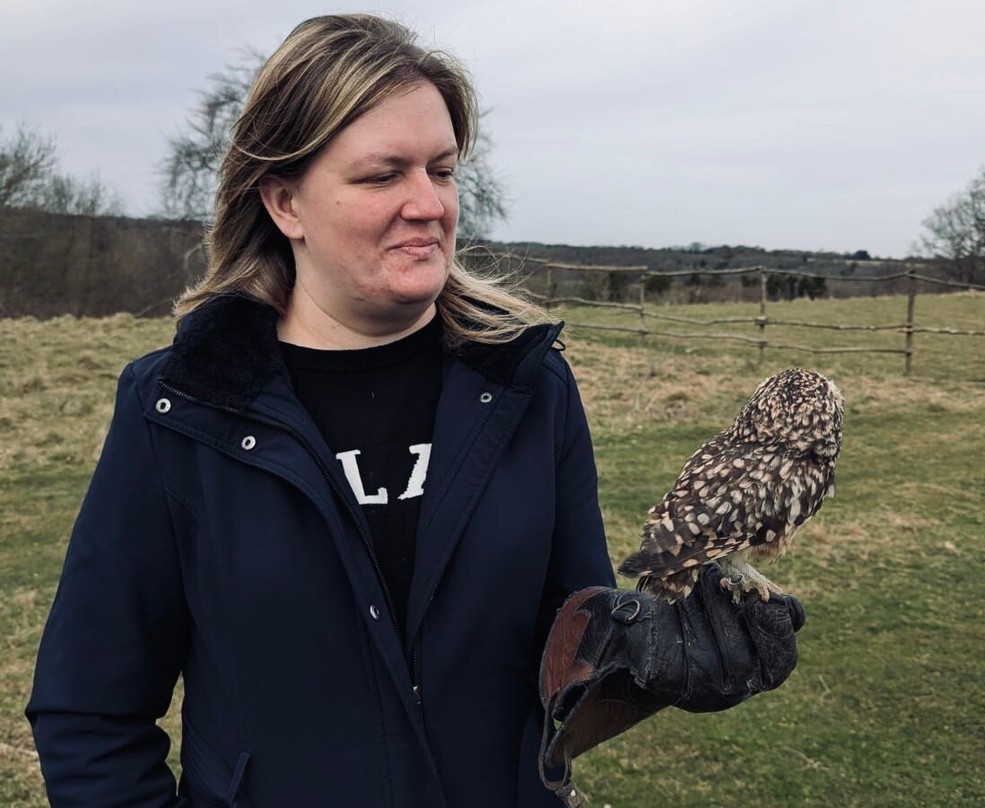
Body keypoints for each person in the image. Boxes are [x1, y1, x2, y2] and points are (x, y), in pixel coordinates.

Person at [27, 13, 803, 808]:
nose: (428, 204)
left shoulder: (530, 387)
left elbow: (569, 647)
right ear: (286, 202)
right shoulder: (183, 408)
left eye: (442, 170)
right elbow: (89, 714)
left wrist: (661, 657)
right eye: (383, 175)